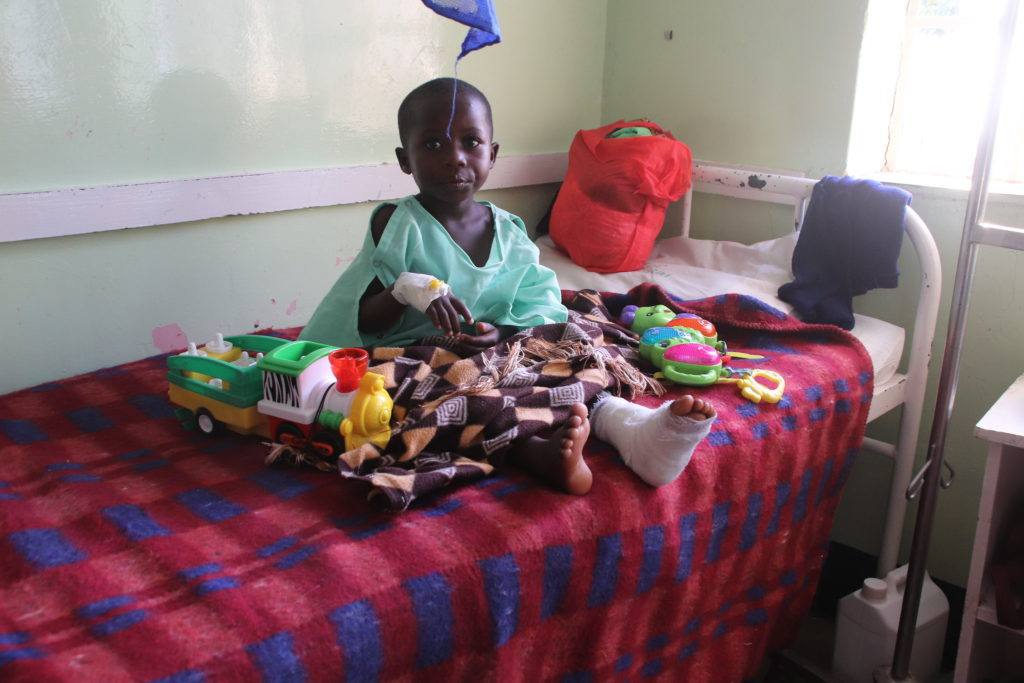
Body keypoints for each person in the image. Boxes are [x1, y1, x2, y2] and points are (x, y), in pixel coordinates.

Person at [300, 78, 715, 505]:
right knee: (437, 399)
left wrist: (499, 333)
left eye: (471, 142)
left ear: (492, 154)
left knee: (574, 345)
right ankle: (536, 453)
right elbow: (362, 319)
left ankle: (627, 426)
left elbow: (539, 306)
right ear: (405, 160)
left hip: (497, 353)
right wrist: (407, 289)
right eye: (433, 145)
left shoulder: (510, 232)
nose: (455, 159)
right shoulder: (396, 225)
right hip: (415, 356)